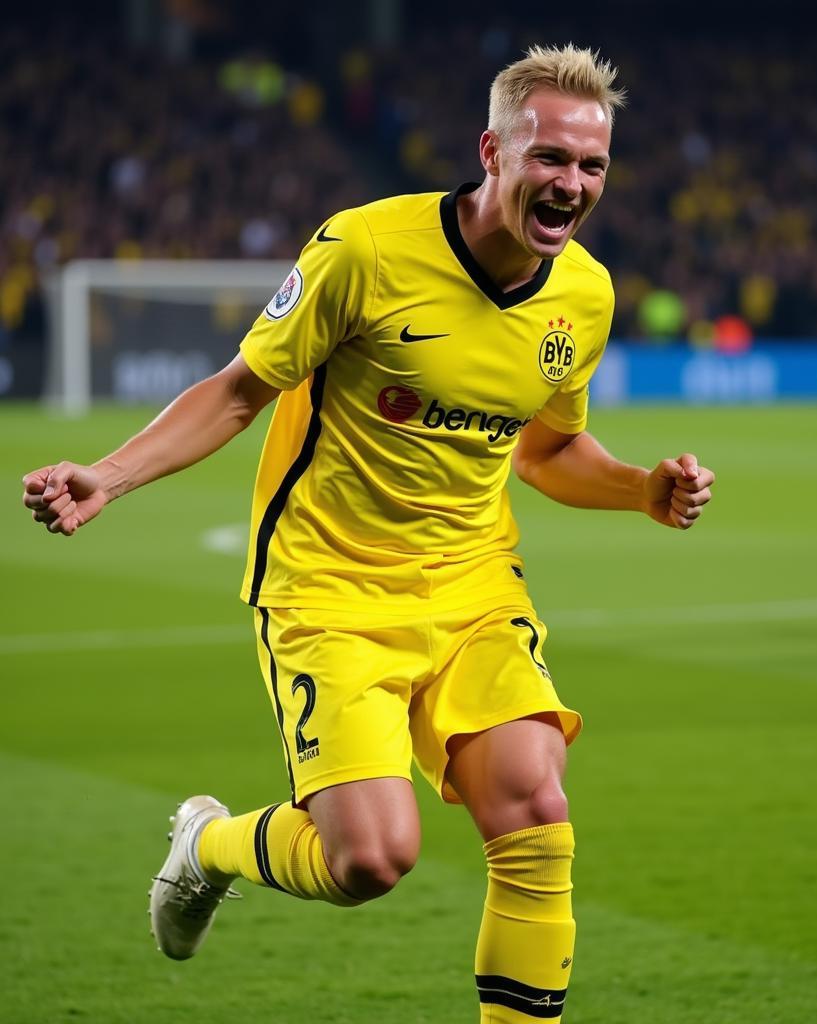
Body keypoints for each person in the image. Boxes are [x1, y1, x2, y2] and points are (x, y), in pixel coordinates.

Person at [22, 45, 715, 1023]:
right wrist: (112, 475)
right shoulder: (367, 251)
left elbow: (548, 450)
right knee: (369, 859)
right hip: (329, 586)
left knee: (535, 808)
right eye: (549, 158)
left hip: (474, 584)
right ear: (493, 149)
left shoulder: (583, 295)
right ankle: (208, 845)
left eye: (591, 166)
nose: (570, 183)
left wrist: (643, 489)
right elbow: (240, 388)